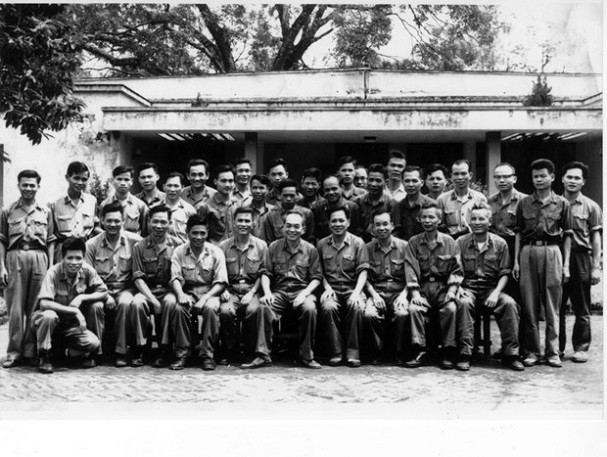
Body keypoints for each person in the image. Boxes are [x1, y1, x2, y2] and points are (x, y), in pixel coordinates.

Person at [513, 158, 572, 368]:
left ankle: (552, 352)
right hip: (528, 252)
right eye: (535, 176)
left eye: (543, 176)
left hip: (552, 251)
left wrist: (566, 265)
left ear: (552, 177)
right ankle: (532, 351)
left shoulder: (562, 203)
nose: (539, 180)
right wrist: (516, 261)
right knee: (529, 305)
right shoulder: (524, 203)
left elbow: (568, 234)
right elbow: (518, 233)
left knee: (552, 305)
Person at [455, 204, 524, 371]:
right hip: (469, 288)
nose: (477, 222)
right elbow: (456, 271)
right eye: (473, 219)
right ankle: (465, 354)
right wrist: (459, 288)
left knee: (509, 304)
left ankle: (511, 355)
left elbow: (505, 273)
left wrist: (496, 293)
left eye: (481, 219)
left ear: (490, 221)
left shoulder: (500, 243)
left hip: (491, 289)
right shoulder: (461, 242)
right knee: (463, 303)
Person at [0, 170, 55, 368]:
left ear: (38, 186)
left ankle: (31, 351)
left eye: (32, 185)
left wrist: (50, 267)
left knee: (35, 307)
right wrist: (1, 267)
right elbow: (2, 240)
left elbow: (51, 240)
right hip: (15, 257)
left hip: (39, 257)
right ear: (19, 185)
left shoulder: (46, 211)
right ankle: (14, 353)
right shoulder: (8, 210)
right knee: (15, 308)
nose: (28, 188)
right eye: (25, 184)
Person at [31, 237, 108, 373]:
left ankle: (63, 352)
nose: (74, 262)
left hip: (71, 326)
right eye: (70, 258)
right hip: (49, 323)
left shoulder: (87, 270)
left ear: (83, 258)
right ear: (63, 258)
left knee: (93, 343)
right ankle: (44, 356)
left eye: (78, 258)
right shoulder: (53, 272)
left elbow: (103, 291)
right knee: (49, 316)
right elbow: (44, 303)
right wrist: (74, 311)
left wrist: (82, 297)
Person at [403, 202, 463, 369]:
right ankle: (420, 349)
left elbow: (457, 269)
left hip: (443, 288)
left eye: (431, 217)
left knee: (450, 309)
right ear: (419, 219)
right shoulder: (413, 242)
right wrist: (415, 293)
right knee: (414, 309)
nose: (427, 221)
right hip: (422, 288)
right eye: (424, 217)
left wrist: (452, 290)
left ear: (439, 220)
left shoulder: (450, 242)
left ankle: (448, 350)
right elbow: (410, 268)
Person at [260, 210, 323, 369]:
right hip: (279, 291)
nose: (292, 230)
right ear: (283, 227)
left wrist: (304, 294)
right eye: (288, 226)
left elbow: (316, 277)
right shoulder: (273, 247)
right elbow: (266, 273)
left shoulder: (311, 249)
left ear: (303, 229)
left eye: (296, 226)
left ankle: (306, 356)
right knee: (264, 307)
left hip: (302, 290)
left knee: (310, 309)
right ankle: (262, 355)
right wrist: (267, 292)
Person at [168, 214, 228, 371]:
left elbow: (221, 281)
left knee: (211, 308)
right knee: (179, 309)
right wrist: (180, 294)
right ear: (187, 232)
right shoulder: (179, 251)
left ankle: (208, 355)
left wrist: (205, 299)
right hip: (188, 290)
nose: (199, 237)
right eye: (194, 233)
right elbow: (175, 277)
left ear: (207, 233)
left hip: (210, 291)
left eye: (202, 233)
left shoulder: (216, 252)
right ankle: (182, 354)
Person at [85, 202, 142, 366]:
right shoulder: (91, 245)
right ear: (102, 220)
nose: (113, 224)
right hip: (100, 290)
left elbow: (139, 272)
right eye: (109, 220)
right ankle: (96, 351)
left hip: (126, 288)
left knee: (124, 303)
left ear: (123, 221)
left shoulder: (135, 241)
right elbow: (89, 275)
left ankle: (120, 352)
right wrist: (105, 295)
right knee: (95, 307)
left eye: (117, 221)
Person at [218, 207, 272, 368]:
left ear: (253, 223)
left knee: (254, 310)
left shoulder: (261, 246)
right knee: (225, 311)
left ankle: (250, 351)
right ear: (233, 223)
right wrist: (224, 290)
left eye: (247, 221)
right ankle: (231, 350)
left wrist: (253, 292)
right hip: (231, 290)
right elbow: (219, 272)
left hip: (252, 289)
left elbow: (264, 272)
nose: (243, 224)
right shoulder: (223, 246)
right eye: (240, 220)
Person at [559, 161, 602, 363]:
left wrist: (596, 267)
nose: (573, 181)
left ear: (583, 182)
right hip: (557, 255)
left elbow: (596, 238)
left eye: (577, 178)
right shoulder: (554, 203)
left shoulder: (591, 206)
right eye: (569, 177)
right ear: (562, 179)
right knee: (556, 306)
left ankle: (581, 348)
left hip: (580, 257)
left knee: (581, 306)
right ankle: (557, 348)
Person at [317, 206, 370, 367]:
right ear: (329, 223)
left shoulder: (358, 243)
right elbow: (319, 272)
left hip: (352, 288)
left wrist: (357, 292)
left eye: (341, 220)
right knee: (328, 307)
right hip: (331, 288)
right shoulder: (322, 244)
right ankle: (336, 352)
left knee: (357, 306)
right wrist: (327, 288)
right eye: (334, 221)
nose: (337, 224)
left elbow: (363, 271)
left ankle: (353, 353)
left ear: (348, 222)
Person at [131, 205, 181, 367]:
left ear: (169, 223)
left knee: (170, 303)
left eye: (163, 222)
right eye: (155, 222)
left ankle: (164, 349)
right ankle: (140, 348)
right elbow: (138, 278)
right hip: (147, 290)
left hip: (168, 290)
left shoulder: (177, 245)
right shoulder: (139, 246)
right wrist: (153, 300)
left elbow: (179, 276)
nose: (159, 226)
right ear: (148, 222)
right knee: (137, 303)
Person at [364, 211, 410, 365]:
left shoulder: (404, 246)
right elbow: (364, 277)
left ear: (392, 226)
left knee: (402, 313)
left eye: (385, 224)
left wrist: (404, 295)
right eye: (377, 225)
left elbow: (412, 275)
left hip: (399, 292)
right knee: (369, 314)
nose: (381, 228)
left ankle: (398, 352)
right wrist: (374, 295)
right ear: (373, 228)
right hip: (377, 291)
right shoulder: (367, 248)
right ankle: (379, 351)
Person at [50, 161, 98, 263]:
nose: (80, 182)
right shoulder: (55, 203)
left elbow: (96, 227)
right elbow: (50, 236)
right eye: (76, 178)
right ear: (67, 177)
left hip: (85, 250)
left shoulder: (92, 201)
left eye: (84, 179)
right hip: (63, 251)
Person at [437, 159, 487, 239]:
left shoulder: (480, 198)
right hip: (451, 243)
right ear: (451, 176)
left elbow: (484, 226)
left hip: (474, 243)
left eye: (463, 173)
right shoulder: (442, 199)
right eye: (456, 174)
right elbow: (438, 228)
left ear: (470, 175)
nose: (460, 177)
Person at [260, 179, 315, 244]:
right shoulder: (271, 215)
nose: (288, 199)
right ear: (279, 195)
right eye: (285, 195)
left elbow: (310, 238)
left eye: (292, 195)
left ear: (297, 195)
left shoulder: (307, 213)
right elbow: (270, 241)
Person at [99, 165, 148, 235]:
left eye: (126, 179)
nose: (122, 183)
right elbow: (101, 229)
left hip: (133, 241)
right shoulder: (105, 204)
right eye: (119, 179)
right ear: (113, 181)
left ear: (131, 181)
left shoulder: (140, 205)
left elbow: (145, 232)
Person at [391, 166, 437, 241]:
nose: (410, 184)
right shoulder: (397, 206)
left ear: (422, 183)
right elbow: (396, 232)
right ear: (402, 183)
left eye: (414, 181)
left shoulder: (432, 204)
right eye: (407, 181)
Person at [197, 164, 238, 244]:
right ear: (215, 181)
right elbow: (200, 232)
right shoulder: (205, 206)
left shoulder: (237, 204)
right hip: (215, 249)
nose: (227, 184)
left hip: (235, 248)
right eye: (223, 181)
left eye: (230, 181)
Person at [353, 163, 395, 242]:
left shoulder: (392, 204)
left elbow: (395, 231)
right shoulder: (358, 202)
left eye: (378, 181)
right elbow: (355, 228)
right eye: (371, 180)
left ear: (386, 182)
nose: (373, 184)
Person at [226, 174, 275, 239]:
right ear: (250, 189)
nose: (258, 191)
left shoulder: (273, 211)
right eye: (255, 188)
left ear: (267, 189)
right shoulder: (243, 211)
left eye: (261, 188)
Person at [312, 175, 361, 240]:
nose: (331, 192)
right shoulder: (319, 208)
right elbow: (317, 234)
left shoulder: (352, 207)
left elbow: (357, 232)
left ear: (342, 187)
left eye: (334, 189)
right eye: (327, 190)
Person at [162, 172, 196, 243]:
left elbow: (194, 234)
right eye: (169, 185)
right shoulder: (155, 208)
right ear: (164, 187)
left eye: (176, 186)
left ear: (182, 188)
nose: (172, 189)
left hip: (182, 248)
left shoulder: (189, 210)